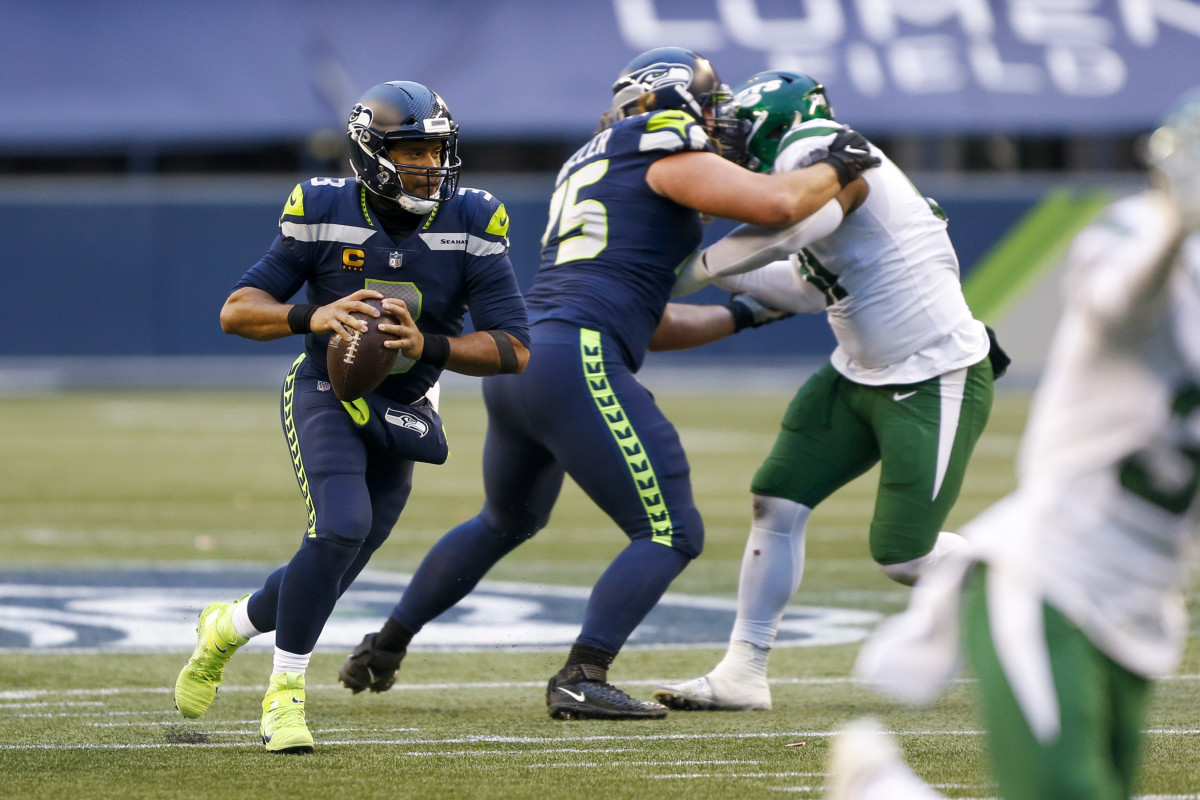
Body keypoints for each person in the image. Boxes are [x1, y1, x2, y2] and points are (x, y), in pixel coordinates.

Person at [334, 47, 881, 720]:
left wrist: (746, 313)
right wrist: (843, 164)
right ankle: (582, 674)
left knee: (506, 519)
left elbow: (648, 321)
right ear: (673, 103)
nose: (720, 119)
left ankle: (386, 643)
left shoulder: (597, 159)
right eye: (710, 105)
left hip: (529, 356)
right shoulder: (661, 140)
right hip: (573, 357)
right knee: (670, 530)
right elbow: (779, 202)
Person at [824, 88, 1200, 800]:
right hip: (1053, 574)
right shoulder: (1141, 231)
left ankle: (880, 789)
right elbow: (1117, 301)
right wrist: (1178, 229)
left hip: (1144, 603)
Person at [172, 80, 531, 754]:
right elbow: (237, 310)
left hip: (405, 405)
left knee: (335, 562)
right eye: (413, 151)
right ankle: (284, 695)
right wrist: (314, 315)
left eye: (437, 150)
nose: (429, 165)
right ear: (371, 153)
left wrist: (428, 346)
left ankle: (226, 628)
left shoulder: (473, 218)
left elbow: (514, 347)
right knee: (340, 527)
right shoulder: (324, 207)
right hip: (326, 391)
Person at [654, 70, 1004, 712]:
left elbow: (790, 225)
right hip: (857, 372)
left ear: (777, 124)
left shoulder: (815, 143)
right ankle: (743, 672)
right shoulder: (809, 173)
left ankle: (1039, 578)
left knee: (904, 557)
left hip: (933, 376)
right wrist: (724, 281)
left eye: (737, 131)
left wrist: (694, 270)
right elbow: (808, 288)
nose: (727, 143)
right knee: (776, 501)